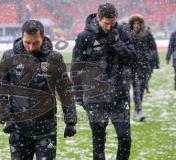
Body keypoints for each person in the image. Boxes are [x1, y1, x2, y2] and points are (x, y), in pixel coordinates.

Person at [0, 20, 77, 160]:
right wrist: (6, 117)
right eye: (27, 42)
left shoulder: (54, 58)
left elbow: (65, 90)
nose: (31, 47)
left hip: (46, 130)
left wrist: (71, 121)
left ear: (43, 38)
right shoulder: (9, 57)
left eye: (35, 42)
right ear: (22, 37)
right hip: (18, 130)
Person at [71, 3, 135, 160]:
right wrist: (79, 96)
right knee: (98, 142)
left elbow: (131, 60)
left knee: (125, 139)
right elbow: (76, 69)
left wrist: (117, 43)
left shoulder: (122, 32)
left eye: (112, 23)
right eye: (106, 23)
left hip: (119, 96)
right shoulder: (84, 37)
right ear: (98, 18)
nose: (109, 27)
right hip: (94, 97)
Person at [128, 15, 156, 121]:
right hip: (131, 66)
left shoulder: (147, 35)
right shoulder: (128, 35)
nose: (136, 26)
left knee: (141, 89)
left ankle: (138, 110)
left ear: (141, 24)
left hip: (144, 66)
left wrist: (149, 56)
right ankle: (137, 110)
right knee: (135, 88)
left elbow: (153, 48)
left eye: (138, 23)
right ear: (131, 24)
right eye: (134, 23)